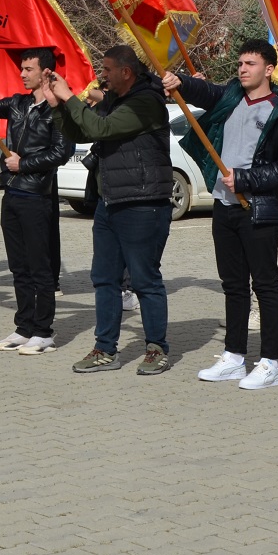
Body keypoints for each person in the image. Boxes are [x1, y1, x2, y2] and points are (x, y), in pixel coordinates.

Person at [164, 40, 278, 389]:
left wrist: (246, 178)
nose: (242, 69)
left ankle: (270, 362)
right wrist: (178, 80)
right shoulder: (231, 96)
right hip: (224, 206)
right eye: (240, 63)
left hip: (258, 209)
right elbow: (204, 91)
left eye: (251, 64)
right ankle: (234, 357)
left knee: (266, 286)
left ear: (269, 69)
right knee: (233, 285)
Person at [49, 45, 174, 375]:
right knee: (105, 280)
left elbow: (99, 129)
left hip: (143, 205)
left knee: (145, 281)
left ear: (126, 72)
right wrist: (60, 105)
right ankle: (105, 349)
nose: (102, 75)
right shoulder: (115, 100)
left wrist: (71, 97)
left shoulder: (146, 102)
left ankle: (156, 348)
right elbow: (80, 131)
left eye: (106, 70)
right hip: (110, 203)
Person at [0, 48, 75, 355]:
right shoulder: (16, 103)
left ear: (45, 73)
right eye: (21, 68)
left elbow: (60, 153)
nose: (22, 73)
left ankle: (43, 332)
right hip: (11, 193)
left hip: (37, 194)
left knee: (40, 267)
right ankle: (24, 327)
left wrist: (23, 164)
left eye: (28, 69)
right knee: (18, 266)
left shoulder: (57, 109)